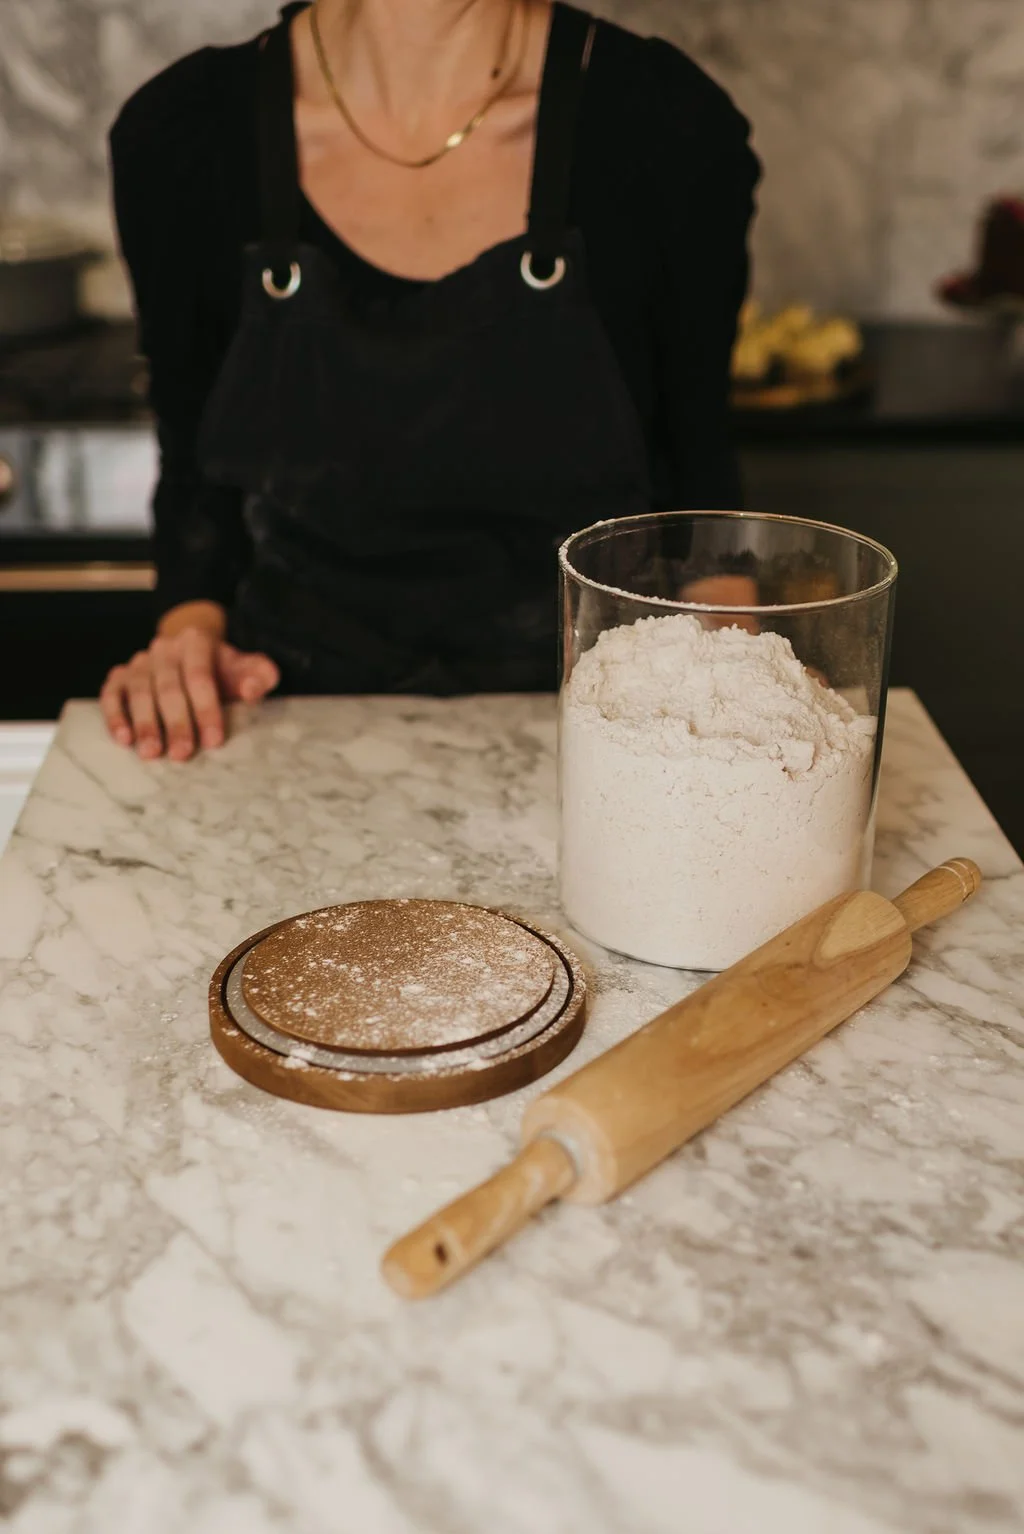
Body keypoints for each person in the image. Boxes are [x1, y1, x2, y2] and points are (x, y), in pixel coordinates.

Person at [102, 0, 759, 759]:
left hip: (605, 738)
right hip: (279, 732)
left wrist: (730, 688)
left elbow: (700, 498)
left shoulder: (669, 125)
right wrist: (185, 644)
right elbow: (197, 480)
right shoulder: (181, 133)